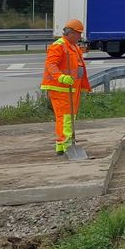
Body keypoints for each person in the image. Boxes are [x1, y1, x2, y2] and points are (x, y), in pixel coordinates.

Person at [40, 19, 92, 155]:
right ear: (71, 33)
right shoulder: (59, 45)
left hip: (72, 88)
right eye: (78, 34)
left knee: (67, 118)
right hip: (60, 88)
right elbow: (51, 65)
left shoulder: (73, 46)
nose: (80, 37)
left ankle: (61, 146)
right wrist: (61, 77)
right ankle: (67, 145)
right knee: (66, 118)